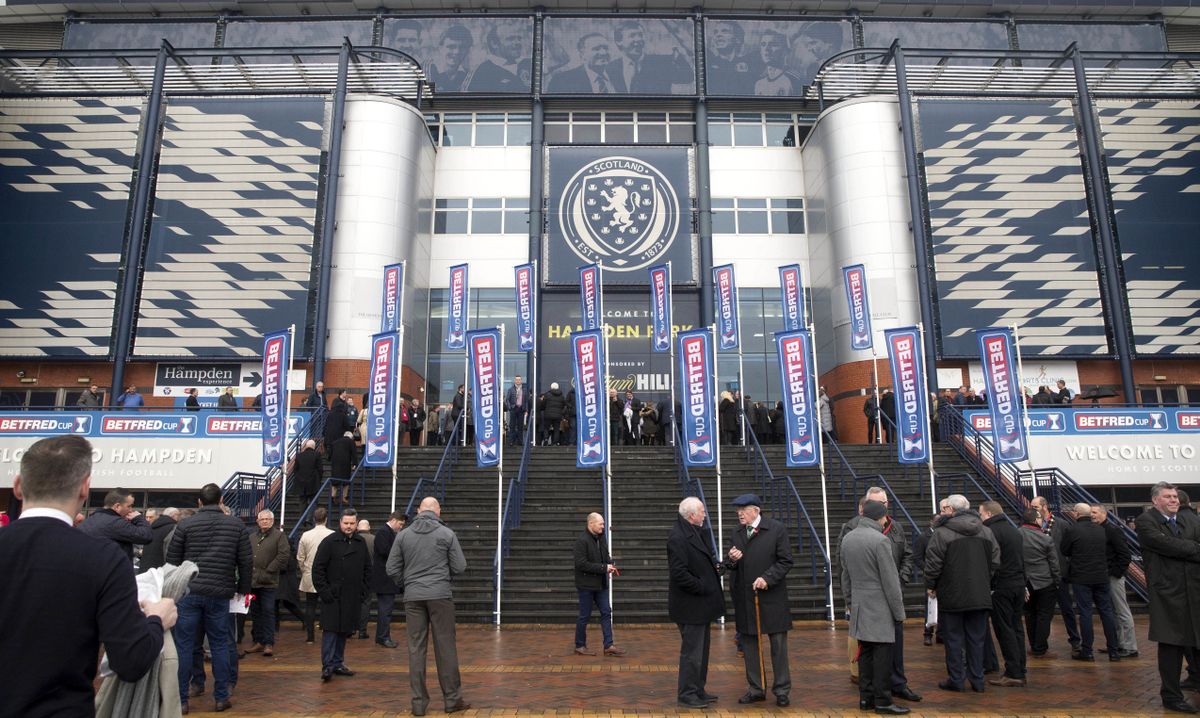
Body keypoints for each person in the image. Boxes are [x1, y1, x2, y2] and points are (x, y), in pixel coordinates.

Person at [0, 435, 176, 717]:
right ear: (84, 489)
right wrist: (156, 619)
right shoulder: (103, 558)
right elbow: (132, 659)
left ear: (18, 486)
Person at [167, 482, 252, 714]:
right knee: (220, 645)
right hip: (220, 592)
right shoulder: (236, 525)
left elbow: (172, 562)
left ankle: (182, 699)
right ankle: (221, 696)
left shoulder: (185, 524)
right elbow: (245, 560)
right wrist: (243, 589)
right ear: (222, 500)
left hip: (189, 591)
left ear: (199, 502)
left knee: (184, 645)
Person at [387, 497, 470, 716]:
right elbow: (460, 566)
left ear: (418, 511)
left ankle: (418, 704)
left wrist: (407, 584)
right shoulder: (446, 534)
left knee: (416, 649)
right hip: (440, 595)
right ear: (438, 512)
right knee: (446, 649)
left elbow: (391, 568)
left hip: (413, 597)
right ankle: (452, 700)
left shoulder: (404, 535)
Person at [837, 488, 920, 701]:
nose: (883, 506)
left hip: (886, 595)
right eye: (878, 503)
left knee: (887, 648)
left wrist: (901, 580)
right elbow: (844, 567)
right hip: (875, 600)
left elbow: (907, 557)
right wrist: (850, 600)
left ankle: (886, 688)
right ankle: (879, 695)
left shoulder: (895, 528)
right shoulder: (852, 530)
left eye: (885, 502)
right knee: (876, 651)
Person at [923, 494, 999, 693]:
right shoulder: (985, 531)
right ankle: (978, 679)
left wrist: (932, 584)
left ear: (951, 510)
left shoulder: (941, 533)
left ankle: (957, 679)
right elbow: (995, 561)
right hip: (979, 593)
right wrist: (984, 579)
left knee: (954, 639)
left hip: (952, 593)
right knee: (977, 638)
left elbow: (933, 563)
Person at [723, 494, 793, 707]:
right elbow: (730, 565)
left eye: (743, 509)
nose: (739, 514)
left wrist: (767, 578)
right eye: (737, 510)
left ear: (756, 510)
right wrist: (732, 560)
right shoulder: (735, 533)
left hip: (771, 596)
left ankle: (781, 690)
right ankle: (756, 688)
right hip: (746, 598)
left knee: (778, 645)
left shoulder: (775, 529)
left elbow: (785, 560)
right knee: (750, 645)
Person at [1136, 482, 1200, 713]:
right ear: (1155, 500)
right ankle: (1171, 697)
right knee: (1171, 646)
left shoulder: (1185, 520)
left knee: (1194, 643)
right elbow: (1165, 544)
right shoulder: (1146, 521)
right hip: (1167, 595)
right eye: (1168, 496)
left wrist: (1185, 548)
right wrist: (1191, 548)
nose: (1174, 500)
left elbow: (1177, 547)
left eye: (1175, 496)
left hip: (1192, 593)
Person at [668, 496, 724, 709]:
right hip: (690, 606)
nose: (705, 515)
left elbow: (701, 563)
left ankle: (698, 689)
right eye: (702, 511)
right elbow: (679, 573)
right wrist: (703, 585)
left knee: (702, 651)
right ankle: (687, 693)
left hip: (701, 606)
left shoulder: (696, 532)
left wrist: (717, 568)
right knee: (692, 653)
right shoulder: (678, 537)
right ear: (692, 515)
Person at [313, 508, 372, 682]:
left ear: (356, 523)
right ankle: (327, 666)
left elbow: (368, 569)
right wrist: (324, 591)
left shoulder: (360, 542)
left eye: (352, 523)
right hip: (332, 595)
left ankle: (338, 662)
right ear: (340, 523)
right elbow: (318, 569)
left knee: (344, 631)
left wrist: (363, 591)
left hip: (351, 596)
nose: (348, 526)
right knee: (330, 631)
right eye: (345, 523)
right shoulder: (329, 542)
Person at [1061, 501, 1121, 662]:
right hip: (1101, 576)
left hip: (1081, 577)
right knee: (1106, 612)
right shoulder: (1101, 530)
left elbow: (1064, 550)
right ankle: (1114, 651)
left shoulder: (1072, 530)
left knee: (1085, 613)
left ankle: (1087, 650)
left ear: (1076, 514)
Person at [978, 501, 1027, 687]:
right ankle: (1020, 668)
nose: (980, 518)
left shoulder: (991, 532)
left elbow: (992, 562)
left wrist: (990, 584)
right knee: (1017, 628)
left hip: (1001, 586)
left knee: (1004, 629)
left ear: (989, 514)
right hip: (1017, 583)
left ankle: (1013, 671)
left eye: (981, 514)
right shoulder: (1014, 530)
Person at [1031, 495, 1081, 655]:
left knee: (1067, 608)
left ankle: (1075, 640)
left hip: (1059, 573)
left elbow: (1069, 548)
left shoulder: (1061, 524)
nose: (1033, 510)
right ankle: (1039, 644)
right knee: (1041, 612)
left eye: (1035, 507)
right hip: (1040, 575)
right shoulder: (1031, 525)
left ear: (1045, 506)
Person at [573, 512, 625, 657]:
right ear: (591, 524)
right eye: (601, 523)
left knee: (606, 612)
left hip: (600, 584)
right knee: (584, 615)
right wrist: (603, 568)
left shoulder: (601, 538)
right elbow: (581, 564)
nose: (603, 526)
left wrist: (610, 563)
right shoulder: (581, 541)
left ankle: (609, 645)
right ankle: (580, 645)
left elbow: (605, 556)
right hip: (586, 585)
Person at [1093, 504, 1138, 658]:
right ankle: (1119, 643)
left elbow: (1125, 554)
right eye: (1091, 512)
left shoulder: (1112, 530)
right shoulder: (1100, 530)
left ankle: (1130, 646)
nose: (1092, 515)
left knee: (1122, 610)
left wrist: (1116, 573)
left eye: (1095, 512)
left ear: (1104, 513)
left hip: (1113, 576)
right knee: (1113, 611)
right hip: (1104, 576)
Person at [246, 509, 289, 657]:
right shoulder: (252, 537)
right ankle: (258, 641)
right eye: (262, 519)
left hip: (268, 582)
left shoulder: (279, 536)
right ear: (257, 521)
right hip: (253, 582)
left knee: (268, 611)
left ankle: (268, 642)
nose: (264, 521)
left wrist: (270, 569)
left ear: (272, 521)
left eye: (267, 519)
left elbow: (283, 555)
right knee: (256, 612)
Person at [1019, 508, 1060, 658]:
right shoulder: (1045, 538)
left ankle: (1033, 644)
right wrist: (1056, 581)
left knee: (1030, 614)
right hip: (1044, 581)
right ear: (1035, 520)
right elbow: (1053, 563)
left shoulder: (1017, 535)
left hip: (1025, 581)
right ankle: (1040, 647)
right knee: (1044, 615)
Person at [610, 19, 692, 93]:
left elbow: (687, 77)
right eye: (632, 35)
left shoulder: (661, 63)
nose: (638, 39)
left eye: (640, 35)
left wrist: (679, 57)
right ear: (619, 41)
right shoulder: (611, 68)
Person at [78, 487, 153, 562]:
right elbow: (146, 536)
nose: (131, 510)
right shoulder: (115, 522)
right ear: (117, 506)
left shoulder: (88, 521)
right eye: (129, 506)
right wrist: (138, 518)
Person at [298, 507, 335, 644]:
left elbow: (300, 557)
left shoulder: (306, 535)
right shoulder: (332, 535)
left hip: (309, 572)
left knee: (310, 605)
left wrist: (304, 570)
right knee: (327, 604)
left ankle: (310, 635)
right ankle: (327, 631)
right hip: (327, 574)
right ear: (326, 519)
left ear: (314, 519)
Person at [373, 511, 407, 648]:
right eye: (400, 524)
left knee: (386, 609)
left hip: (386, 579)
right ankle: (383, 636)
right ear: (393, 520)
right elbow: (384, 551)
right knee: (385, 610)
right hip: (385, 579)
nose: (401, 527)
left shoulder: (387, 532)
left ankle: (382, 636)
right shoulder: (383, 532)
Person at [466, 22, 531, 92]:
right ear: (494, 44)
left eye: (519, 38)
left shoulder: (528, 64)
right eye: (510, 39)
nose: (517, 42)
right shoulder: (483, 72)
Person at [548, 32, 619, 93]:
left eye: (606, 48)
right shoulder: (562, 81)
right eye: (596, 49)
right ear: (582, 54)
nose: (603, 53)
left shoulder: (619, 76)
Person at [706, 20, 762, 96]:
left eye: (724, 31)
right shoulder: (708, 64)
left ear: (737, 39)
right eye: (715, 32)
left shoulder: (750, 63)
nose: (718, 35)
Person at [427, 24, 473, 92]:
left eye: (462, 47)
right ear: (440, 48)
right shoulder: (427, 71)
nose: (457, 52)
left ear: (467, 50)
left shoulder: (468, 76)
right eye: (451, 47)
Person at [754, 30, 801, 96]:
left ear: (785, 51)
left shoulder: (794, 80)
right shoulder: (759, 83)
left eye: (773, 44)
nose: (766, 48)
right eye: (763, 44)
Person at [140, 506, 180, 573]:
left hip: (146, 569)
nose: (148, 520)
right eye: (178, 516)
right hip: (161, 571)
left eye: (150, 517)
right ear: (174, 516)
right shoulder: (173, 528)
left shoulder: (151, 527)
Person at [355, 519, 376, 639]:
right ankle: (362, 630)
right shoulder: (374, 539)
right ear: (369, 528)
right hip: (369, 575)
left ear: (358, 527)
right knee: (366, 602)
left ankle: (351, 628)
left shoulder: (353, 539)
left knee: (353, 601)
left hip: (353, 575)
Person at [293, 439, 323, 511]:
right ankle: (309, 520)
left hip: (301, 483)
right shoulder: (317, 454)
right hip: (313, 483)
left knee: (302, 502)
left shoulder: (299, 456)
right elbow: (320, 469)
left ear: (306, 446)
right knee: (313, 501)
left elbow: (295, 470)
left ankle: (302, 520)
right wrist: (319, 479)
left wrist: (299, 479)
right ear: (314, 446)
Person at [330, 431, 356, 505]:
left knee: (334, 482)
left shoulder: (335, 442)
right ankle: (344, 497)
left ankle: (333, 497)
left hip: (335, 465)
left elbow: (330, 454)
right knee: (346, 481)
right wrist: (355, 464)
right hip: (345, 464)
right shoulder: (350, 442)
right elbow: (354, 453)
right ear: (351, 437)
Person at [505, 375, 529, 447]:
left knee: (520, 426)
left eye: (519, 380)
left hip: (521, 409)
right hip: (513, 409)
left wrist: (526, 410)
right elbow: (507, 400)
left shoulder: (524, 390)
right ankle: (511, 442)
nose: (518, 381)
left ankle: (520, 442)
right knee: (512, 426)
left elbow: (526, 401)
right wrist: (510, 408)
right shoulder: (511, 389)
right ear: (515, 381)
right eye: (516, 379)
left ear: (521, 381)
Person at [542, 382, 567, 446]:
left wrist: (545, 409)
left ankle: (546, 439)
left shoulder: (547, 395)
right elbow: (564, 405)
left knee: (546, 428)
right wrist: (561, 412)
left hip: (548, 415)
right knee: (556, 429)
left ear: (551, 387)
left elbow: (543, 404)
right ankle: (555, 442)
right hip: (558, 415)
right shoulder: (561, 396)